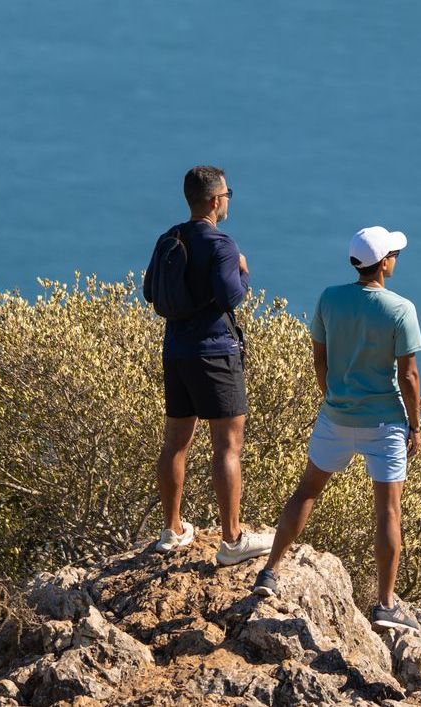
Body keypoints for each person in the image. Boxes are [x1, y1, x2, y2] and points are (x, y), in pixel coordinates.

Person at [251, 225, 421, 633]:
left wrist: (334, 398)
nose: (397, 259)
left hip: (335, 417)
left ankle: (270, 573)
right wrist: (415, 426)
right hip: (384, 422)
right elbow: (409, 376)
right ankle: (385, 604)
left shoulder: (329, 299)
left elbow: (319, 359)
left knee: (307, 490)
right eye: (394, 254)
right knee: (388, 511)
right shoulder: (401, 309)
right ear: (383, 263)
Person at [146, 165, 270, 565]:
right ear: (216, 200)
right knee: (227, 447)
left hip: (176, 352)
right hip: (215, 354)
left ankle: (172, 529)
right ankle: (232, 541)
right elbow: (233, 297)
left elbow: (150, 290)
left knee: (175, 443)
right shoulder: (222, 245)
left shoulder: (169, 238)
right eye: (227, 195)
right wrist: (243, 270)